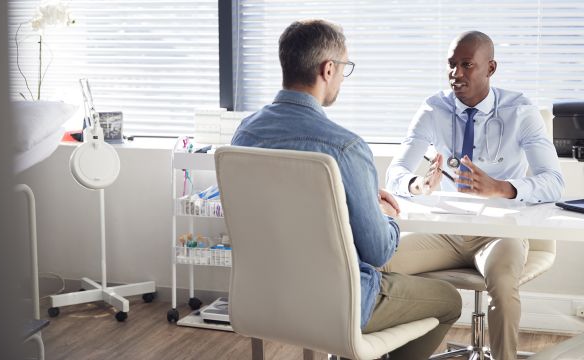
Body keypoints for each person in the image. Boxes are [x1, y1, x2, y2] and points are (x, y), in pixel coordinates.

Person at [232, 19, 462, 360]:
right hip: (340, 305)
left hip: (263, 300)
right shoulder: (345, 148)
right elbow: (378, 251)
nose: (343, 77)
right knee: (449, 301)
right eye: (344, 69)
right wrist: (383, 214)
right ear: (328, 69)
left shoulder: (244, 135)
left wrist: (353, 202)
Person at [385, 31, 565, 360]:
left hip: (501, 233)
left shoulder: (520, 111)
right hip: (445, 232)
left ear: (491, 68)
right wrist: (417, 185)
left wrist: (502, 187)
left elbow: (553, 182)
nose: (456, 73)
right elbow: (395, 172)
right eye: (451, 65)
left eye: (467, 65)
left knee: (504, 287)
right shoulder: (433, 109)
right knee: (379, 261)